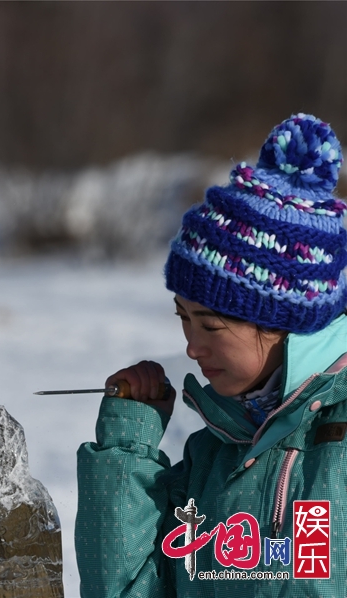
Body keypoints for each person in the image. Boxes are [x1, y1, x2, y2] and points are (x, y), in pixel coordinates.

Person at [75, 114, 346, 597]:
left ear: (284, 325)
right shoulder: (211, 455)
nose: (191, 347)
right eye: (183, 318)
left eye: (211, 325)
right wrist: (126, 450)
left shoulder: (336, 451)